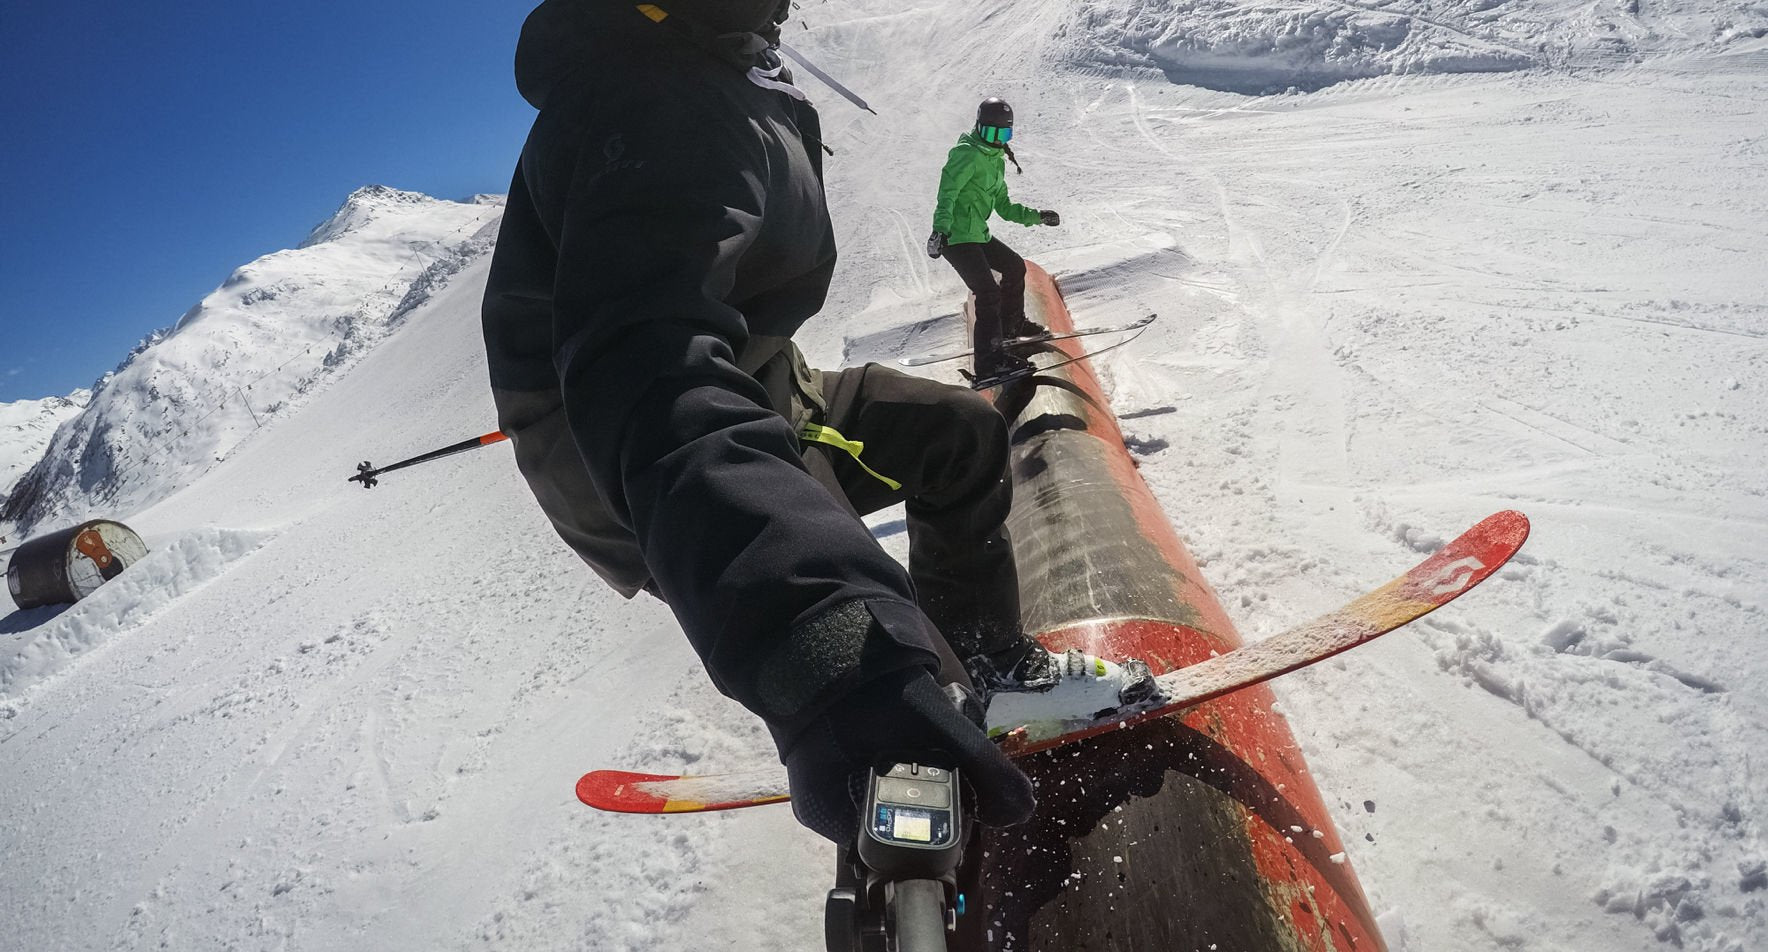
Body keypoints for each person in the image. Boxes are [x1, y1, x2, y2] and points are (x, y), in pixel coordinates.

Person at [479, 0, 1062, 845]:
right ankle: (908, 849)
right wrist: (814, 641)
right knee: (882, 676)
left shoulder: (720, 64)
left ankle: (987, 662)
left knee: (958, 437)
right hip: (647, 444)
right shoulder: (650, 94)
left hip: (754, 382)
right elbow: (646, 363)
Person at [927, 98, 1062, 385]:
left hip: (977, 235)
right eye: (992, 134)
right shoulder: (966, 154)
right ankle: (988, 364)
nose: (998, 141)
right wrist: (940, 231)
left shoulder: (995, 162)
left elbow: (1004, 206)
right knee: (987, 293)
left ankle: (1012, 328)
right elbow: (947, 193)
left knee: (1014, 267)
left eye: (1004, 135)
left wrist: (1037, 217)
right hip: (955, 238)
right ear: (979, 128)